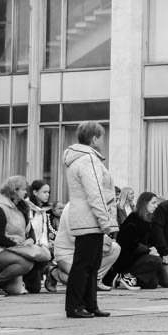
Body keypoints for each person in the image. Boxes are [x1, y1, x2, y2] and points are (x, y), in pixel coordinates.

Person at [62, 121, 119, 318]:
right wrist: (105, 221)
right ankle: (75, 305)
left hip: (84, 217)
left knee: (91, 263)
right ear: (94, 138)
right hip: (90, 218)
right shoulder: (89, 160)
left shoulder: (80, 159)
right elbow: (96, 193)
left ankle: (89, 304)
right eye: (101, 137)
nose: (103, 141)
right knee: (85, 264)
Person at [0, 176, 45, 296]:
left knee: (14, 290)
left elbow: (30, 230)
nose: (26, 192)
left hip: (12, 248)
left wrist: (30, 240)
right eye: (23, 189)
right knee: (25, 263)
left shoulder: (21, 206)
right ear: (15, 190)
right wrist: (19, 247)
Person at [111, 192, 164, 289]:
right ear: (145, 203)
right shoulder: (133, 219)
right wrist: (148, 250)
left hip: (140, 256)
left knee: (152, 284)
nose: (156, 206)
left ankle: (127, 279)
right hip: (128, 259)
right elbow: (130, 244)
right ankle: (124, 275)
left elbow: (151, 240)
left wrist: (153, 248)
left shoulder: (149, 220)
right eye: (153, 203)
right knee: (157, 261)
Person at [25, 180, 54, 293]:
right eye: (44, 192)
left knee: (34, 289)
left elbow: (43, 231)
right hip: (27, 246)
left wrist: (44, 246)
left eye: (48, 192)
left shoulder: (42, 211)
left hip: (38, 247)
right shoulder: (26, 207)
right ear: (35, 192)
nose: (48, 195)